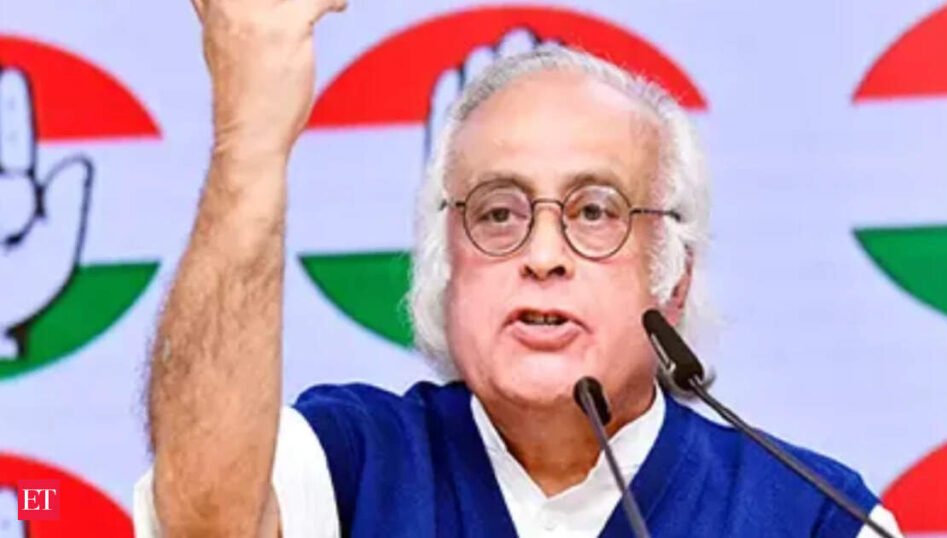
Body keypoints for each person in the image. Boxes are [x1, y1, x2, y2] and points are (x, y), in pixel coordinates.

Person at [134, 0, 905, 536]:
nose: (542, 256)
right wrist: (251, 138)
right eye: (498, 214)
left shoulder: (814, 517)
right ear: (446, 265)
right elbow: (203, 522)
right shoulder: (350, 464)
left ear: (673, 277)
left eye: (595, 212)